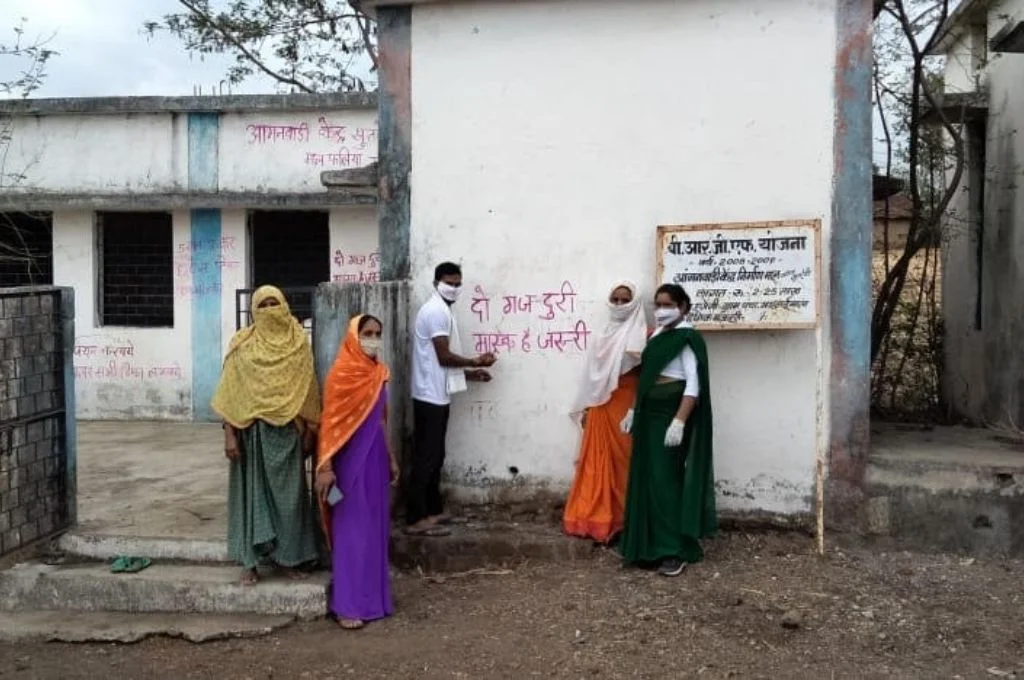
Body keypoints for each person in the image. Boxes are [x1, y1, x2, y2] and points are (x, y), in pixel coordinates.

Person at [212, 285, 321, 586]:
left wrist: (312, 430)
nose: (270, 309)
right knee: (250, 499)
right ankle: (250, 563)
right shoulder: (242, 344)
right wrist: (229, 435)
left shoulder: (299, 343)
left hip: (288, 434)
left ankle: (289, 559)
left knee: (291, 501)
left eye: (275, 303)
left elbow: (308, 387)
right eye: (263, 305)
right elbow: (230, 391)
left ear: (285, 306)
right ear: (253, 311)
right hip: (251, 434)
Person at [618, 283, 716, 577]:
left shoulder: (687, 338)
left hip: (669, 417)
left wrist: (680, 421)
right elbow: (646, 379)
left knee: (666, 481)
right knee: (646, 479)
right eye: (657, 305)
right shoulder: (659, 336)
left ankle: (675, 548)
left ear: (683, 307)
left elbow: (693, 384)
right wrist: (633, 410)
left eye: (667, 304)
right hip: (648, 417)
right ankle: (648, 546)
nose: (661, 310)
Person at [315, 314, 399, 630]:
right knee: (351, 532)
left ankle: (373, 601)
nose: (373, 338)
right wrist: (325, 468)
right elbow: (330, 425)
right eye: (367, 332)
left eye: (378, 333)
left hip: (375, 460)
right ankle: (347, 604)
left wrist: (391, 458)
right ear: (354, 335)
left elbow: (380, 420)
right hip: (347, 465)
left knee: (375, 532)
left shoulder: (379, 373)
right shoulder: (341, 375)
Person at [406, 262, 497, 536]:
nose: (454, 288)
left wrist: (471, 373)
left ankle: (432, 510)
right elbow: (443, 356)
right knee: (427, 457)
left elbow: (439, 362)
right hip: (429, 395)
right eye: (449, 283)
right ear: (436, 283)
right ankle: (415, 518)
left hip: (436, 392)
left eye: (458, 284)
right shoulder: (436, 312)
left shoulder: (443, 310)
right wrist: (474, 360)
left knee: (436, 455)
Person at [563, 281, 648, 543]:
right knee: (597, 463)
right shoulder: (602, 334)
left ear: (634, 303)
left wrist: (636, 407)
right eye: (616, 299)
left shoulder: (642, 332)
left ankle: (624, 521)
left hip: (627, 404)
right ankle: (596, 519)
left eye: (625, 300)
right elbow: (593, 377)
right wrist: (588, 406)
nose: (620, 305)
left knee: (625, 460)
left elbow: (645, 372)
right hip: (600, 405)